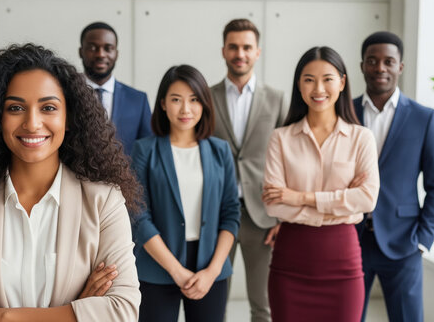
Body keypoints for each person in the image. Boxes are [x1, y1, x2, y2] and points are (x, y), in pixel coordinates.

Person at [0, 44, 141, 321]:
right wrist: (77, 311)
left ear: (69, 117)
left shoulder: (103, 201)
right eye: (15, 108)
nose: (33, 123)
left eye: (48, 107)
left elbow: (122, 311)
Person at [262, 46, 380, 322]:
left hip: (343, 264)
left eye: (327, 78)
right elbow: (273, 205)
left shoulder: (361, 138)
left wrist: (300, 197)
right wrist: (342, 203)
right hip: (290, 263)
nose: (318, 88)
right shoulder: (281, 138)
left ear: (342, 82)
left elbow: (366, 200)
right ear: (299, 86)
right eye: (309, 79)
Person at [132, 65, 240, 322]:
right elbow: (138, 215)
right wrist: (176, 271)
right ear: (162, 104)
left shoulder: (220, 151)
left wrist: (212, 272)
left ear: (204, 104)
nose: (185, 109)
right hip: (157, 267)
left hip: (210, 266)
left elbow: (231, 214)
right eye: (176, 100)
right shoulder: (144, 150)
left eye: (193, 100)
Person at [354, 31, 434, 322]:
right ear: (362, 66)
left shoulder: (424, 118)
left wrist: (423, 239)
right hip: (351, 238)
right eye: (372, 61)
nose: (379, 67)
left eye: (388, 61)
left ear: (400, 67)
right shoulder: (344, 113)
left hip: (404, 241)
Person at [210, 18, 284, 322]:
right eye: (234, 47)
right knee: (213, 300)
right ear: (224, 50)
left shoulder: (276, 99)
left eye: (246, 47)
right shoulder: (206, 97)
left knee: (262, 305)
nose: (240, 53)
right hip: (216, 213)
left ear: (257, 52)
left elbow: (286, 159)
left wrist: (282, 217)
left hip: (263, 216)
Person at [78, 21, 152, 155]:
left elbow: (147, 151)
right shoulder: (65, 94)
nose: (100, 54)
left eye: (108, 48)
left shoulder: (138, 100)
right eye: (93, 48)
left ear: (116, 53)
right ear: (81, 52)